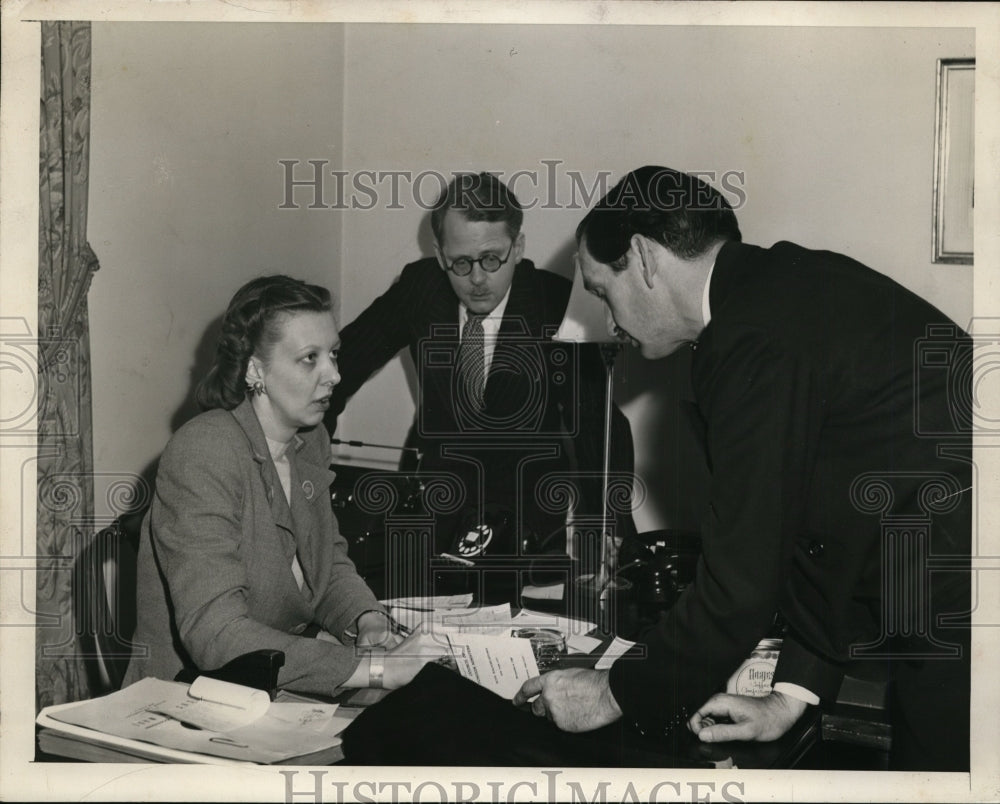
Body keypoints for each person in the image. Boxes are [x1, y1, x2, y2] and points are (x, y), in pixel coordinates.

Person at [514, 166, 971, 771]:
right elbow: (820, 531)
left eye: (601, 291)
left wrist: (612, 692)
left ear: (645, 260)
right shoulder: (779, 290)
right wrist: (792, 694)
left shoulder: (749, 336)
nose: (608, 321)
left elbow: (741, 578)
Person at [123, 276, 446, 696]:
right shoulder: (203, 450)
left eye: (333, 354)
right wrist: (376, 668)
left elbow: (325, 565)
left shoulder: (309, 440)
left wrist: (367, 620)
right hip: (186, 700)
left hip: (272, 691)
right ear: (256, 369)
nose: (334, 374)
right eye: (310, 358)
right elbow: (216, 635)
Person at [325, 172, 635, 578]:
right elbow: (336, 369)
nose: (476, 278)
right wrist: (307, 461)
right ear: (439, 254)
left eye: (492, 259)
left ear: (518, 247)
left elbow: (599, 427)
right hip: (429, 512)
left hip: (527, 528)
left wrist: (609, 527)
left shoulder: (557, 304)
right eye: (460, 262)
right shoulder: (420, 290)